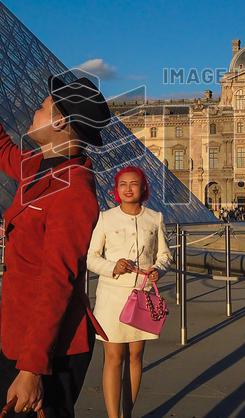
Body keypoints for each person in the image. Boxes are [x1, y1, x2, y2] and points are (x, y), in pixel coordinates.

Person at [0, 57, 112, 418]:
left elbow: (58, 280)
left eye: (42, 107)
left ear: (60, 122)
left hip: (48, 349)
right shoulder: (42, 167)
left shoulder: (73, 190)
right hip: (25, 334)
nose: (34, 110)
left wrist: (32, 368)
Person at [87, 167, 171, 418]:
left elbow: (165, 255)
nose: (128, 188)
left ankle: (128, 412)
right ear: (116, 189)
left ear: (143, 187)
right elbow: (91, 258)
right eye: (122, 184)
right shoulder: (105, 218)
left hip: (143, 295)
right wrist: (113, 266)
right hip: (112, 296)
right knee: (113, 357)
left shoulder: (155, 218)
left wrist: (159, 269)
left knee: (136, 356)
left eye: (133, 183)